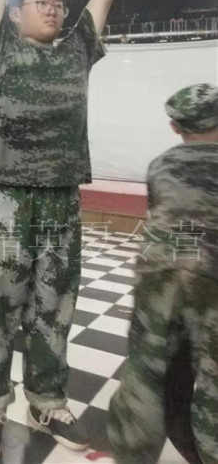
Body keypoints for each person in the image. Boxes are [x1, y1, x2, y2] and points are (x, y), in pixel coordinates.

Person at [0, 0, 137, 461]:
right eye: (42, 4)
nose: (54, 11)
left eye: (59, 5)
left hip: (61, 197)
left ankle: (46, 399)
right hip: (9, 198)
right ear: (15, 14)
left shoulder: (76, 51)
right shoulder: (3, 49)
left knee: (55, 305)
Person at [108, 83, 218, 464]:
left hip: (160, 271)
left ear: (175, 127)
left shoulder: (159, 165)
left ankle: (132, 452)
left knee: (145, 369)